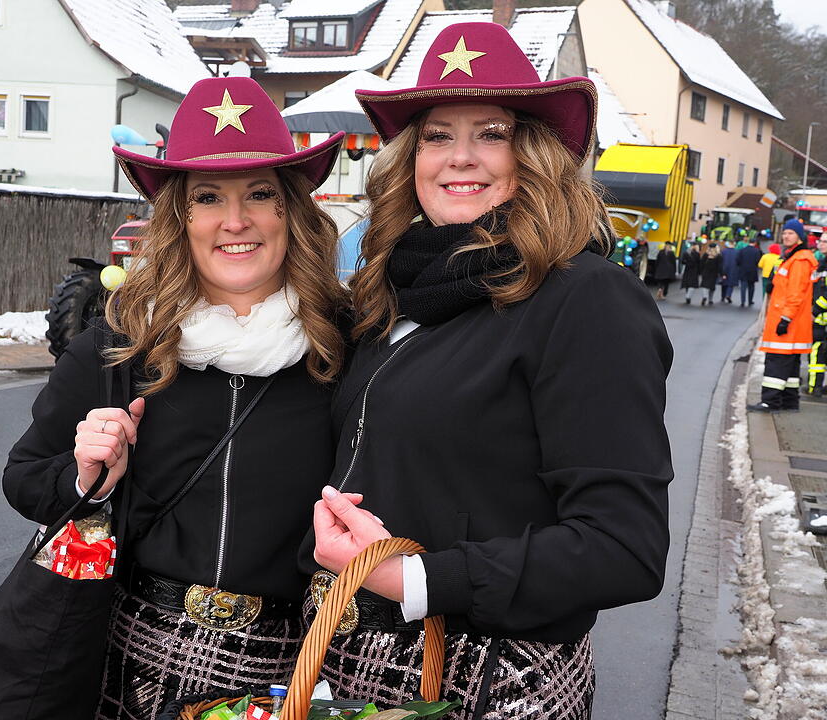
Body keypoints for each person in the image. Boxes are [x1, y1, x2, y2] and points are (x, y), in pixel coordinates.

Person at [303, 22, 672, 720]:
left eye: (492, 132)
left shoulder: (583, 299)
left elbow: (625, 547)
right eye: (437, 135)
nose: (459, 158)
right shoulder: (392, 292)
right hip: (349, 662)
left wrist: (414, 579)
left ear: (534, 154)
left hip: (489, 679)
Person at [2, 77, 348, 720]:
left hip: (293, 669)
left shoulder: (345, 352)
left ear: (292, 212)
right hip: (134, 661)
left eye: (261, 195)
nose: (235, 221)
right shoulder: (117, 351)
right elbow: (24, 480)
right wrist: (88, 480)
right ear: (178, 219)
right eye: (207, 197)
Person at [749, 219, 817, 412]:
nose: (786, 236)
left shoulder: (800, 260)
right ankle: (789, 402)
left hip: (787, 322)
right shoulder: (793, 257)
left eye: (791, 233)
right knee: (791, 367)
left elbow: (796, 294)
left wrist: (785, 319)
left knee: (777, 363)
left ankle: (770, 401)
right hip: (790, 322)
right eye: (785, 233)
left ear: (799, 237)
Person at [807, 253, 827, 396]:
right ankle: (816, 386)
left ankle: (815, 387)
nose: (822, 244)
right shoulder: (820, 265)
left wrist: (815, 310)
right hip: (820, 320)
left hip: (820, 319)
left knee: (817, 354)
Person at [736, 238, 763, 307]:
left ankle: (743, 301)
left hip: (743, 270)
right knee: (751, 286)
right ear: (755, 243)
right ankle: (750, 300)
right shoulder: (757, 251)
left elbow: (738, 260)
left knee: (743, 286)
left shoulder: (742, 250)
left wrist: (740, 266)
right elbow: (758, 261)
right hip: (752, 270)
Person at [720, 238, 739, 304]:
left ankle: (722, 296)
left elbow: (721, 261)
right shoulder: (737, 252)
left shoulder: (723, 251)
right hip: (733, 269)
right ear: (734, 244)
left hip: (724, 268)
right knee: (731, 283)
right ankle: (728, 295)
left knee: (724, 283)